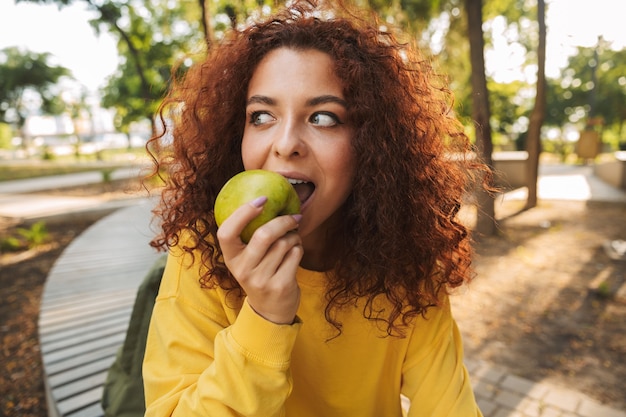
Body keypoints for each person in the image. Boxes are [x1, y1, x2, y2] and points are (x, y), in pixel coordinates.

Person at [142, 0, 487, 415]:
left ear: (373, 146)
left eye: (323, 118)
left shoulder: (408, 264)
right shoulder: (201, 252)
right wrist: (265, 319)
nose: (285, 143)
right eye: (262, 116)